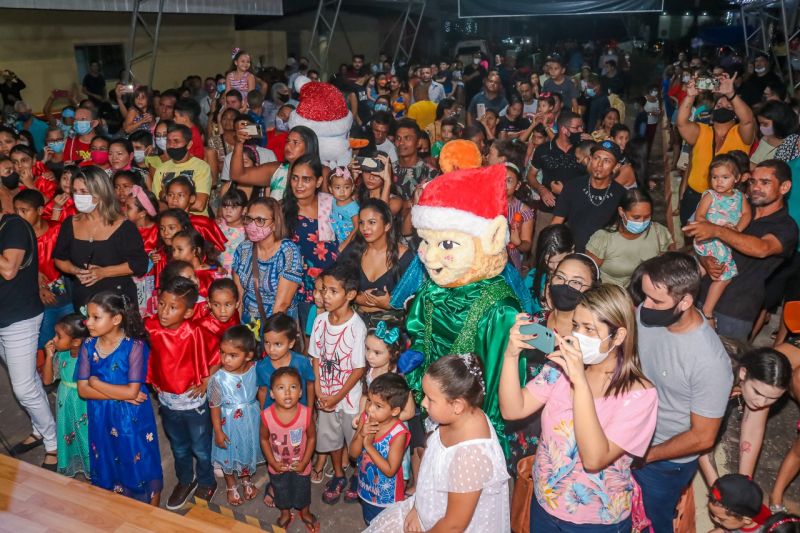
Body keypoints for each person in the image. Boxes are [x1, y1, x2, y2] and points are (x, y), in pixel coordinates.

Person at [500, 284, 657, 530]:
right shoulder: (560, 368)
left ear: (618, 336)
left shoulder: (639, 395)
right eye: (576, 325)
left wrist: (580, 383)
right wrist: (510, 355)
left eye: (589, 329)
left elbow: (594, 459)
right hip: (545, 505)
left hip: (596, 520)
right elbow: (513, 409)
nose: (578, 335)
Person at [630, 252, 733, 533]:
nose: (645, 306)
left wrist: (648, 455)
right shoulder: (648, 315)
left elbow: (702, 436)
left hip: (662, 461)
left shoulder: (709, 362)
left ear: (685, 301)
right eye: (645, 296)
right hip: (631, 437)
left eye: (656, 301)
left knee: (652, 522)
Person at [365, 354, 510, 533]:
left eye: (430, 399)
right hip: (426, 507)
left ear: (457, 405)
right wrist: (416, 508)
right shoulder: (451, 416)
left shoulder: (470, 456)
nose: (423, 403)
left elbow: (454, 525)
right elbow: (430, 463)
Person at [684, 160, 798, 339]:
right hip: (700, 296)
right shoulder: (736, 206)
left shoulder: (786, 226)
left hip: (734, 312)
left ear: (784, 187)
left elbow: (762, 248)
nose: (756, 187)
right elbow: (701, 237)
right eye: (753, 181)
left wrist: (717, 230)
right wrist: (705, 260)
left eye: (765, 182)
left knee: (726, 356)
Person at [76, 291, 163, 504]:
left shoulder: (134, 347)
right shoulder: (87, 346)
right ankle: (116, 508)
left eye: (96, 317)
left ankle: (152, 511)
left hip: (130, 418)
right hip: (101, 416)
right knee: (106, 456)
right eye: (88, 317)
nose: (88, 322)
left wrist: (95, 383)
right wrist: (120, 394)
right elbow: (82, 390)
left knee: (138, 458)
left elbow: (132, 393)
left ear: (116, 319)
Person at [144, 276, 219, 509]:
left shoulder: (194, 332)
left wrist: (207, 379)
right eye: (162, 304)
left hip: (193, 403)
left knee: (200, 447)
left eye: (173, 307)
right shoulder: (151, 327)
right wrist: (153, 379)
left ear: (187, 312)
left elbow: (218, 354)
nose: (164, 312)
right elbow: (147, 356)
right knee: (178, 446)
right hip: (167, 402)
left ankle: (207, 481)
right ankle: (186, 480)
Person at [1, 197, 57, 469]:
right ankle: (40, 428)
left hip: (19, 319)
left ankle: (53, 442)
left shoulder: (13, 226)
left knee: (23, 389)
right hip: (3, 319)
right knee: (29, 381)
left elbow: (8, 269)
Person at [309, 263, 367, 505]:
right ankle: (339, 474)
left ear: (350, 294)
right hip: (325, 395)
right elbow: (315, 357)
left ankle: (358, 476)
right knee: (331, 438)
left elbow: (358, 369)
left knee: (354, 440)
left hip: (348, 398)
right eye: (324, 289)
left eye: (333, 291)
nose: (325, 296)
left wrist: (337, 397)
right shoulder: (320, 321)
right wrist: (320, 391)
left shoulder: (357, 327)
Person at [53, 166, 148, 309]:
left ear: (100, 192)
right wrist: (76, 271)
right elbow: (59, 259)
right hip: (84, 300)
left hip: (117, 302)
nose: (78, 196)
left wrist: (103, 272)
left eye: (84, 191)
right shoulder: (69, 224)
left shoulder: (124, 226)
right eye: (75, 191)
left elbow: (139, 264)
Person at [698, 346, 790, 485]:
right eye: (757, 392)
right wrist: (717, 489)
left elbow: (752, 432)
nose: (761, 403)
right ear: (743, 373)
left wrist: (744, 483)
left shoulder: (763, 389)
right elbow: (700, 439)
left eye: (772, 398)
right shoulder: (718, 379)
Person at [677, 75, 756, 225]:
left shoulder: (741, 134)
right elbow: (681, 123)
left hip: (728, 202)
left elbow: (748, 120)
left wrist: (731, 94)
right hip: (695, 197)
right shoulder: (701, 130)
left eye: (728, 107)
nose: (723, 108)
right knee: (691, 236)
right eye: (719, 106)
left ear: (736, 113)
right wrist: (690, 96)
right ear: (712, 111)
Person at [691, 154, 752, 320]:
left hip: (724, 242)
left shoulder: (740, 197)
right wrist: (717, 229)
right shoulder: (710, 195)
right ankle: (707, 311)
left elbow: (746, 214)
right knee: (725, 275)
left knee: (701, 270)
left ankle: (682, 296)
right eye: (715, 177)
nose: (719, 181)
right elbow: (699, 217)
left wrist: (737, 230)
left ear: (737, 178)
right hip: (709, 239)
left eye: (725, 177)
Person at [261, 366, 320, 532]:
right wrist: (272, 462)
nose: (287, 393)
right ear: (272, 393)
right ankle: (285, 513)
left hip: (301, 465)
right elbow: (264, 439)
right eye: (281, 388)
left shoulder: (306, 414)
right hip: (277, 466)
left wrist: (305, 462)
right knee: (281, 491)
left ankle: (305, 512)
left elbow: (312, 438)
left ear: (300, 392)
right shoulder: (266, 415)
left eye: (293, 387)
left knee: (303, 491)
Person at [13, 189, 73, 353]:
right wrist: (38, 286)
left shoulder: (58, 229)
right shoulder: (16, 239)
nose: (18, 215)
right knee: (43, 340)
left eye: (24, 210)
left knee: (70, 335)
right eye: (16, 210)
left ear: (40, 210)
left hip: (66, 293)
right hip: (38, 298)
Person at [231, 197, 303, 333]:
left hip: (278, 326)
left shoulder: (288, 252)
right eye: (249, 219)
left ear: (275, 224)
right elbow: (238, 297)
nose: (252, 225)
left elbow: (282, 304)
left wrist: (269, 336)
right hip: (249, 323)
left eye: (260, 220)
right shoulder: (243, 249)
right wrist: (240, 333)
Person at [349, 373, 410, 526]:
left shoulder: (398, 434)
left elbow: (390, 470)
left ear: (395, 411)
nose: (370, 408)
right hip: (366, 487)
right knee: (370, 522)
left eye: (378, 406)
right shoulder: (366, 419)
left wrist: (369, 446)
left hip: (386, 498)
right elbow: (353, 454)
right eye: (369, 400)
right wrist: (361, 434)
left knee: (384, 526)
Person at [209, 325, 260, 506]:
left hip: (250, 420)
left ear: (248, 355)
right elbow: (214, 406)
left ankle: (246, 480)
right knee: (227, 453)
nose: (225, 359)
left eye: (233, 355)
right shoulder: (218, 379)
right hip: (227, 423)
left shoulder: (255, 369)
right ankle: (231, 484)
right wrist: (218, 431)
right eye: (223, 353)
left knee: (247, 448)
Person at [341, 199, 413, 327]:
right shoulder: (353, 251)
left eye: (372, 222)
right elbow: (336, 283)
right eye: (361, 223)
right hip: (355, 321)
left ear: (387, 225)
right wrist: (356, 297)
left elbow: (416, 299)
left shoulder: (406, 257)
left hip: (390, 327)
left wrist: (392, 305)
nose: (365, 228)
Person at [585, 188, 673, 287]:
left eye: (647, 217)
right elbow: (587, 274)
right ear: (621, 212)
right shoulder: (603, 238)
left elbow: (667, 269)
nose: (641, 222)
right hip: (612, 293)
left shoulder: (659, 233)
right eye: (636, 217)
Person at [551, 140, 626, 252]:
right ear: (590, 160)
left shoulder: (621, 194)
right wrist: (549, 246)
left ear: (616, 166)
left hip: (603, 255)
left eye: (607, 161)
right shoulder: (573, 186)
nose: (599, 164)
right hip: (572, 251)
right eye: (596, 158)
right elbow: (556, 222)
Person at [527, 111, 587, 247]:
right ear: (564, 129)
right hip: (548, 210)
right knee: (541, 246)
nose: (581, 131)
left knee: (570, 250)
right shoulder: (543, 149)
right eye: (577, 128)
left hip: (575, 211)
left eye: (581, 127)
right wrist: (542, 190)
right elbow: (530, 175)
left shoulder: (583, 150)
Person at [42, 313, 89, 478]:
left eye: (59, 336)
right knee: (68, 433)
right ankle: (74, 463)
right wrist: (49, 357)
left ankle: (92, 470)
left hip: (82, 404)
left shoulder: (88, 359)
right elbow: (47, 380)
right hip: (64, 405)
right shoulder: (61, 355)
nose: (54, 339)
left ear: (75, 341)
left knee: (85, 435)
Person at [256, 313, 316, 409]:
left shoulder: (302, 363)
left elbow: (310, 384)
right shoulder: (261, 366)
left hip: (299, 413)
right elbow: (262, 390)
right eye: (267, 342)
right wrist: (263, 413)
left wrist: (310, 410)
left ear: (291, 343)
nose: (271, 349)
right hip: (273, 415)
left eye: (277, 344)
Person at [152, 124, 212, 215]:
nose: (171, 145)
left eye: (176, 141)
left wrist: (164, 196)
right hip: (169, 220)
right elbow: (156, 205)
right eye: (168, 141)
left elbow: (199, 205)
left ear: (189, 145)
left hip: (195, 221)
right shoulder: (161, 169)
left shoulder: (201, 167)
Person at [708, 474, 772, 532]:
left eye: (721, 519)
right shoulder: (738, 520)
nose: (715, 519)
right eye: (712, 514)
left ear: (747, 520)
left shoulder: (764, 530)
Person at [504, 163, 534, 272]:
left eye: (509, 181)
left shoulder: (524, 211)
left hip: (510, 264)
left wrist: (518, 243)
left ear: (517, 185)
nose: (503, 184)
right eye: (500, 179)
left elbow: (527, 245)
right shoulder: (484, 204)